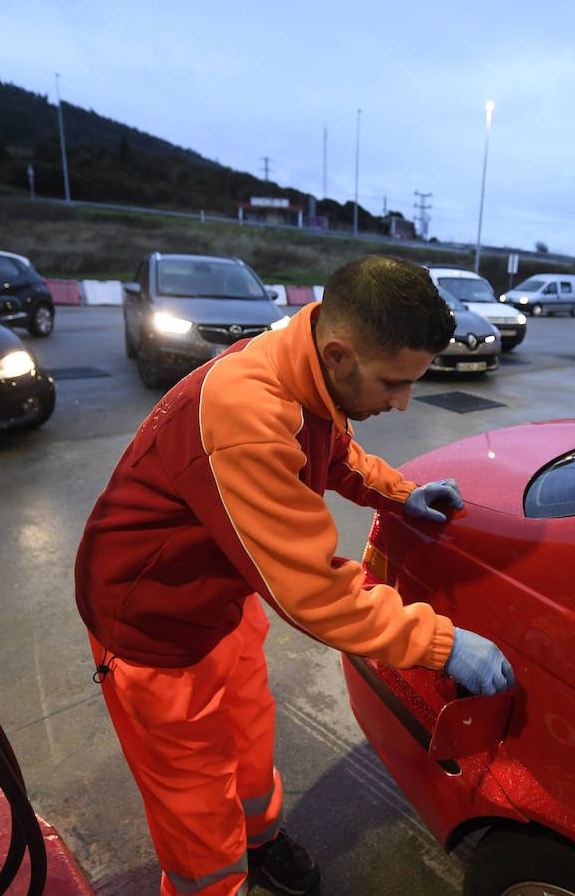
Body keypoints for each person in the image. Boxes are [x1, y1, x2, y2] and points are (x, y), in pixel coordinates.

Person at [75, 254, 515, 896]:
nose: (403, 401)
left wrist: (399, 493)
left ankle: (260, 837)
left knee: (249, 742)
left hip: (224, 596)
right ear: (338, 355)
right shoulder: (244, 413)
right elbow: (315, 592)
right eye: (394, 383)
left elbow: (332, 452)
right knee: (195, 805)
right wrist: (442, 645)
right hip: (153, 629)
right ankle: (216, 884)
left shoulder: (304, 366)